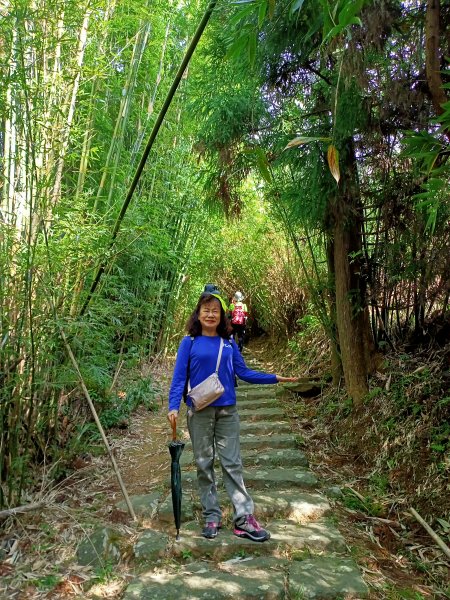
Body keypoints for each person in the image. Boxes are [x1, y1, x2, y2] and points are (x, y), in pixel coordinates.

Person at [167, 292, 297, 542]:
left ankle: (243, 518)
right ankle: (211, 515)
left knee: (232, 463)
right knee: (204, 464)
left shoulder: (228, 343)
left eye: (215, 310)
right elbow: (179, 379)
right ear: (198, 313)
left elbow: (243, 372)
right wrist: (174, 407)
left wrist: (274, 378)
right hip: (200, 411)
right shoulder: (189, 342)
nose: (210, 314)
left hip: (228, 410)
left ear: (222, 315)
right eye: (205, 309)